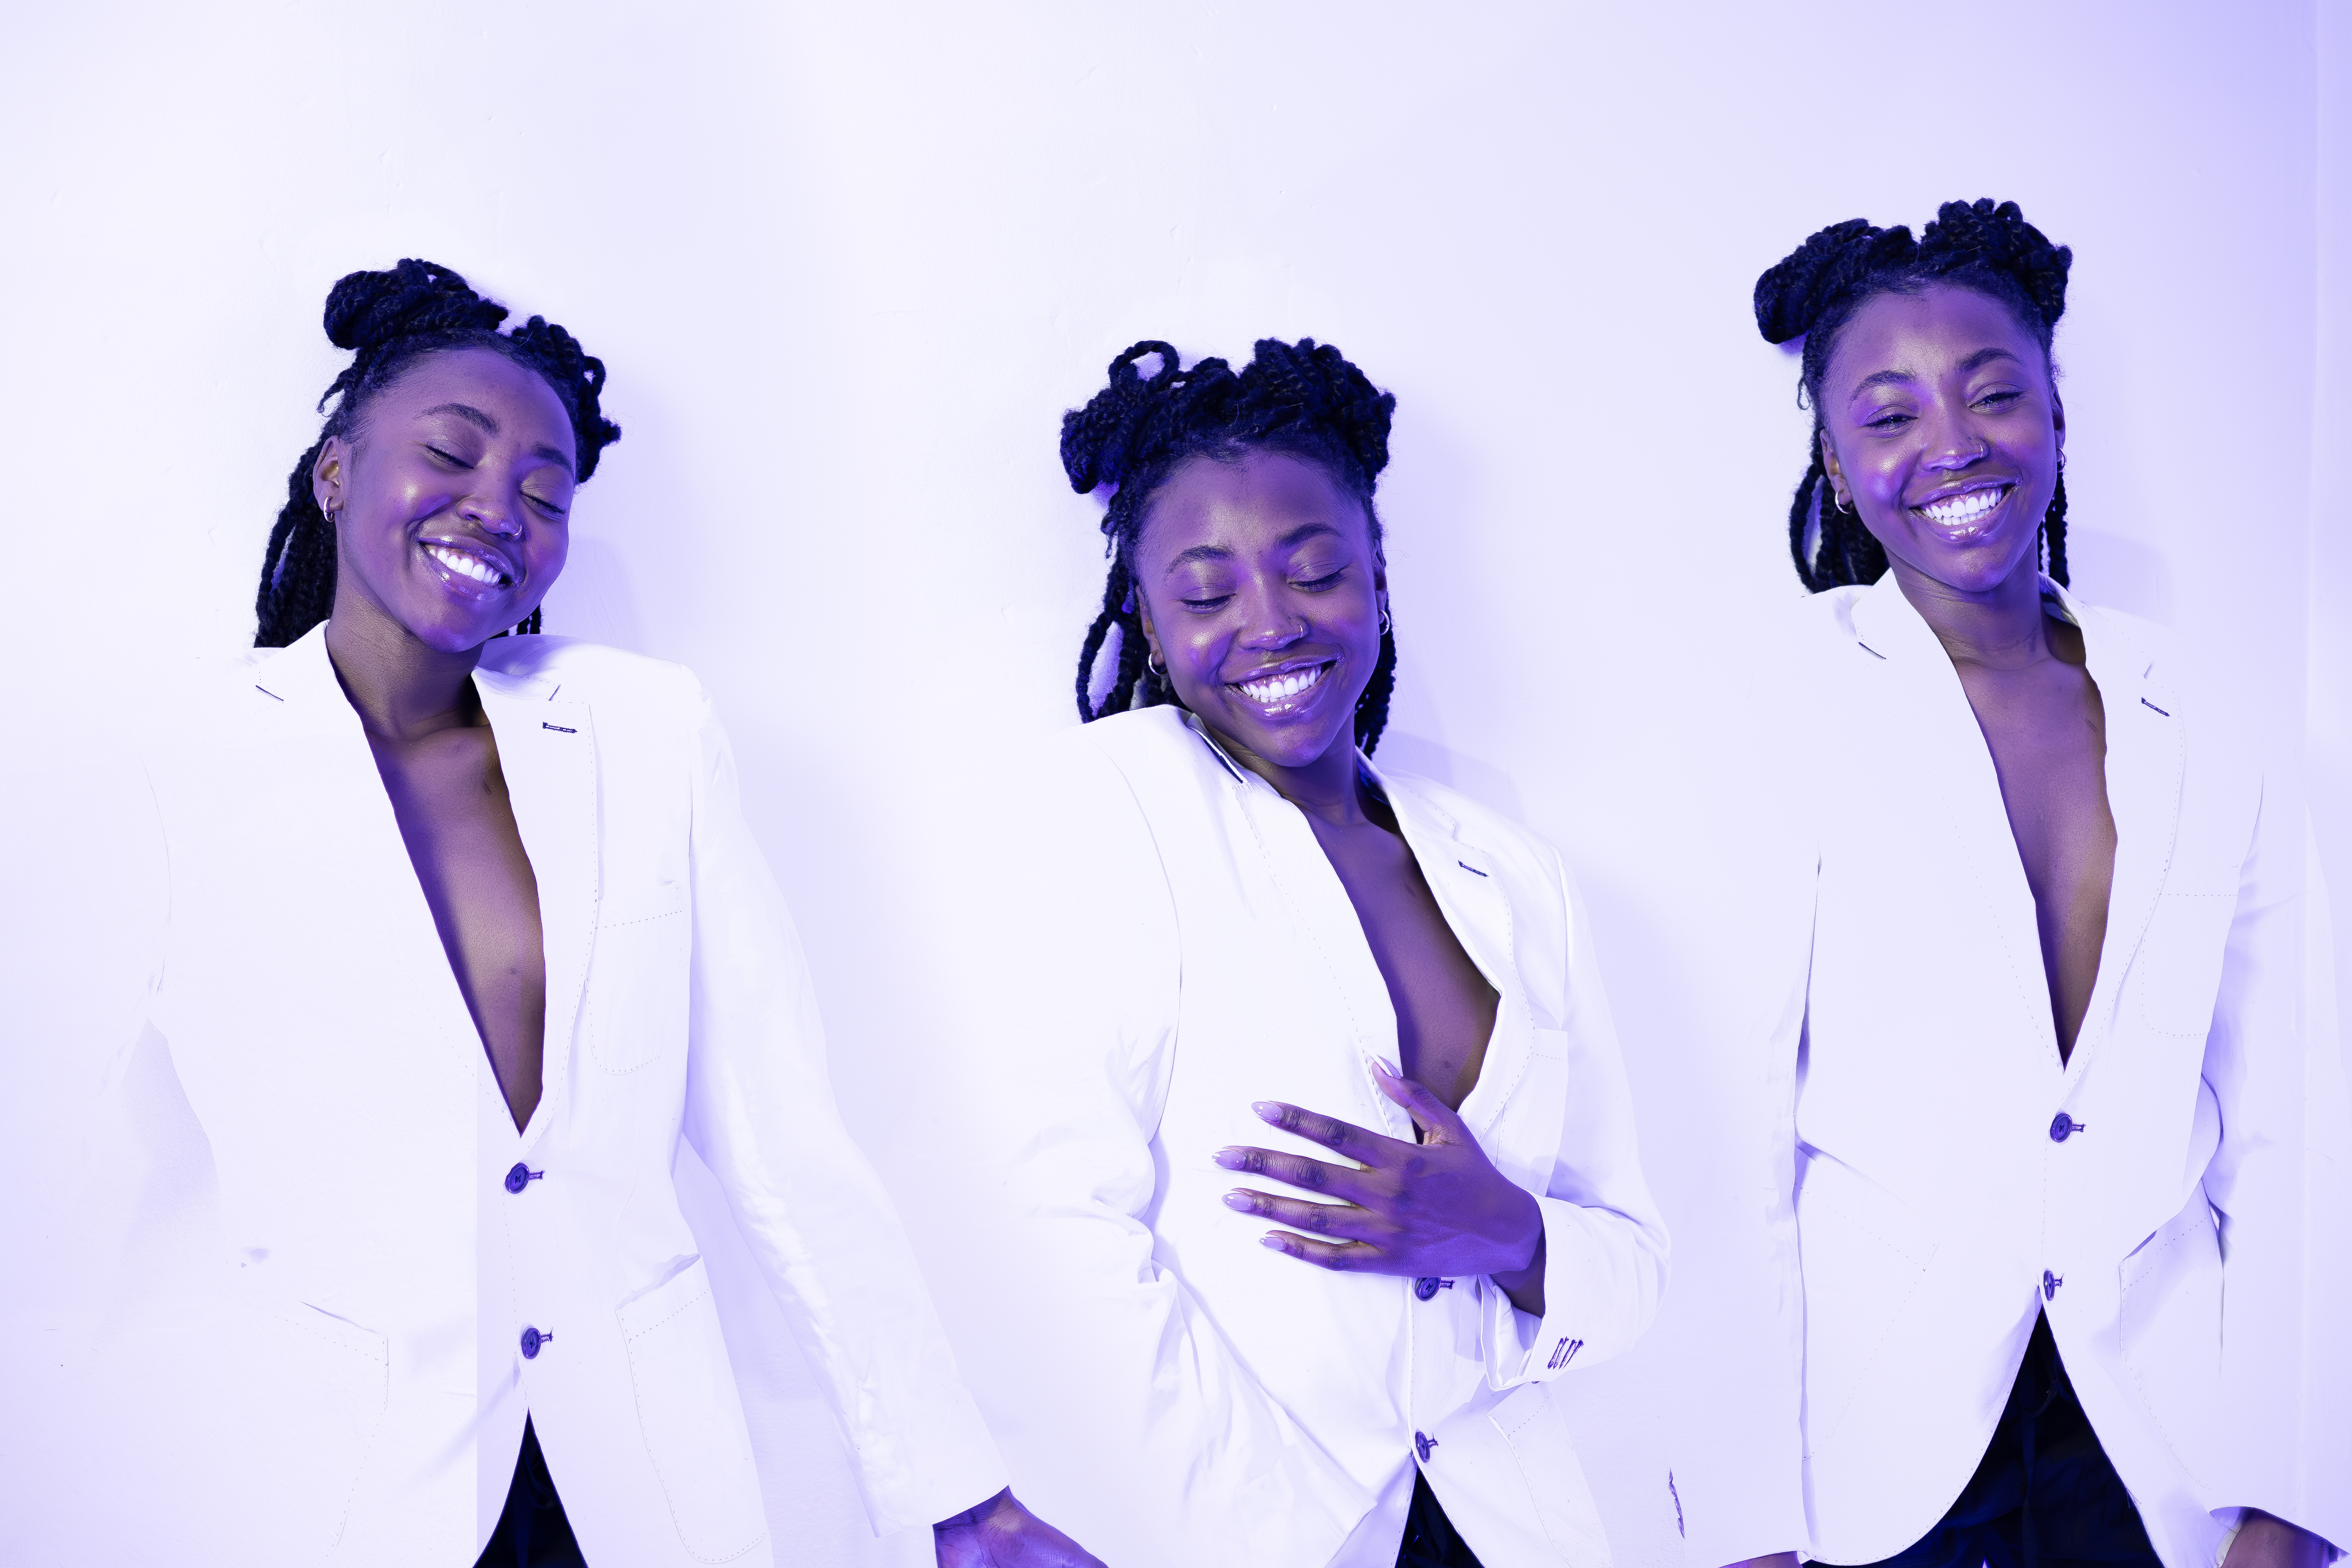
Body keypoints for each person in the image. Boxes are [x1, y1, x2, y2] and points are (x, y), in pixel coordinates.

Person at [118, 260, 1099, 1568]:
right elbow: (74, 1169)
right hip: (337, 1492)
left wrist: (959, 1498)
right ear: (335, 473)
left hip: (640, 1487)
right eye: (452, 457)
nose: (497, 509)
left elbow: (783, 1145)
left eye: (543, 493)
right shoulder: (178, 768)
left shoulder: (646, 733)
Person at [1704, 201, 2350, 1568]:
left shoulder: (2202, 703)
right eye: (1888, 416)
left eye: (1994, 392)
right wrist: (1750, 1523)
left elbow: (2299, 1120)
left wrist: (2293, 1490)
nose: (1953, 445)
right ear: (1833, 460)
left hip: (2163, 1446)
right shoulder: (1772, 705)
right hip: (1884, 1466)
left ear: (2055, 410)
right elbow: (1730, 1141)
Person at [961, 339, 1669, 1568]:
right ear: (1145, 616)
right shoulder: (1114, 806)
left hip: (1516, 1525)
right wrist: (1278, 1528)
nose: (1271, 624)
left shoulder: (1514, 874)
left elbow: (1633, 1264)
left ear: (1380, 578)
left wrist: (1511, 1234)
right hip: (1261, 1528)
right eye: (1205, 593)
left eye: (1315, 571)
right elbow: (1056, 1222)